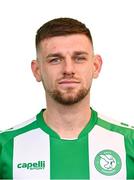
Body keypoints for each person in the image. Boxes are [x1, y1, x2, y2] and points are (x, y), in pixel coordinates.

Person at [0, 17, 134, 179]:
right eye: (55, 60)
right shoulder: (5, 146)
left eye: (79, 58)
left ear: (96, 66)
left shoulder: (129, 142)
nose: (68, 69)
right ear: (37, 70)